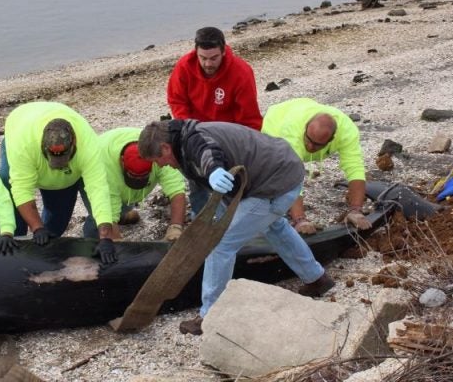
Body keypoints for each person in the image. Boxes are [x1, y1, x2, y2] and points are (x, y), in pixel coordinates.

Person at [138, 119, 334, 336]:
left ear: (165, 147)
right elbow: (204, 180)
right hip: (282, 171)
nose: (160, 165)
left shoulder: (194, 141)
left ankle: (210, 315)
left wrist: (213, 170)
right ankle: (317, 279)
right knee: (275, 226)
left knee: (220, 244)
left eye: (158, 159)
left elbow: (207, 154)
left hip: (275, 183)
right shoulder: (184, 139)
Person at [0, 101, 117, 264]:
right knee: (7, 182)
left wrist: (105, 237)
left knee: (57, 222)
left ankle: (43, 257)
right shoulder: (25, 145)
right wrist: (36, 227)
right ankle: (11, 255)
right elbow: (21, 189)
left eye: (63, 158)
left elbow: (98, 189)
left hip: (64, 172)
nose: (58, 162)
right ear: (43, 146)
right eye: (53, 158)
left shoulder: (88, 145)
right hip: (20, 124)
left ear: (74, 143)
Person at [166, 26, 263, 215]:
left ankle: (237, 218)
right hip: (196, 132)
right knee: (196, 181)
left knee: (234, 183)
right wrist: (191, 132)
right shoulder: (184, 67)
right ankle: (201, 219)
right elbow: (177, 100)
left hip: (228, 135)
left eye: (213, 58)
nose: (208, 63)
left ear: (224, 51)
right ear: (196, 51)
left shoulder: (241, 72)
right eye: (203, 58)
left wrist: (244, 147)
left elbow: (249, 117)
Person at [261, 97, 369, 234]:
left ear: (332, 139)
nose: (310, 147)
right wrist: (300, 219)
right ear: (306, 128)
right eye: (308, 140)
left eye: (317, 144)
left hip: (303, 107)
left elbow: (355, 167)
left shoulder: (347, 131)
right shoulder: (291, 133)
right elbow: (290, 176)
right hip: (275, 122)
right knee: (275, 174)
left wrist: (356, 210)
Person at [81, 127, 187, 241]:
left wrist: (176, 227)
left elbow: (177, 191)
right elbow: (108, 210)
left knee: (122, 206)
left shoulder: (158, 155)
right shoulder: (104, 167)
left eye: (143, 177)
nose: (138, 180)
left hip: (119, 182)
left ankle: (123, 214)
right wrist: (116, 244)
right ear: (121, 162)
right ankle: (91, 244)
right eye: (133, 177)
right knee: (98, 218)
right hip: (95, 170)